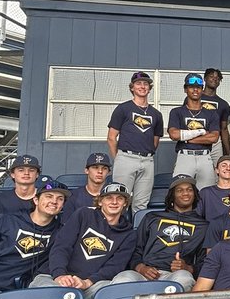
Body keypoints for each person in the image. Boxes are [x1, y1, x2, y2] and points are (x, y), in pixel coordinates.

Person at [29, 181, 137, 299]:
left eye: (119, 198)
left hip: (91, 284)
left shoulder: (129, 233)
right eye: (109, 198)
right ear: (100, 201)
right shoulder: (84, 214)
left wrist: (87, 282)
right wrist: (60, 275)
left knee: (110, 295)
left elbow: (115, 266)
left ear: (125, 203)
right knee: (53, 295)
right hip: (54, 277)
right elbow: (62, 246)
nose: (114, 202)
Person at [113, 176, 205, 290]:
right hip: (144, 273)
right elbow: (134, 249)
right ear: (172, 196)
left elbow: (206, 263)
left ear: (195, 194)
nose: (185, 193)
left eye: (189, 189)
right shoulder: (152, 217)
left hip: (175, 275)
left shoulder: (203, 226)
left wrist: (188, 268)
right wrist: (141, 268)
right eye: (179, 190)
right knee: (122, 279)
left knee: (184, 279)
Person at [107, 71, 164, 213]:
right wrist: (119, 158)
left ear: (149, 88)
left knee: (141, 204)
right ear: (132, 87)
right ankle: (118, 233)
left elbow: (155, 140)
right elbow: (111, 137)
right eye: (138, 83)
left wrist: (147, 153)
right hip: (126, 157)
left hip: (147, 160)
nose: (142, 86)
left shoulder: (156, 114)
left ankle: (137, 233)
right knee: (119, 200)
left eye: (145, 84)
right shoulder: (123, 108)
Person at [168, 72, 220, 189]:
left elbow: (214, 137)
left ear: (202, 90)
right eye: (191, 87)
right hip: (184, 157)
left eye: (198, 87)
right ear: (185, 89)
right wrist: (200, 133)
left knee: (206, 195)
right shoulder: (177, 112)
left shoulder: (211, 113)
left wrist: (186, 138)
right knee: (180, 192)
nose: (195, 90)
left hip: (205, 157)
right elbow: (174, 134)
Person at [0, 153, 41, 234]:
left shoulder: (45, 198)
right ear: (12, 174)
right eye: (21, 170)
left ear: (37, 174)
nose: (26, 173)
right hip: (5, 244)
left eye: (31, 170)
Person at [63, 152, 112, 217]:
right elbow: (67, 224)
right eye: (95, 167)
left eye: (104, 168)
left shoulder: (113, 197)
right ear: (86, 170)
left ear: (108, 172)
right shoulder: (74, 196)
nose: (100, 171)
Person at [200, 68, 230, 161]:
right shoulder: (194, 98)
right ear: (205, 79)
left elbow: (224, 129)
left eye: (217, 78)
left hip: (215, 143)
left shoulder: (223, 104)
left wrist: (228, 151)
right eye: (211, 76)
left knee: (216, 173)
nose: (214, 79)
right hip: (196, 139)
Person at [197, 155, 230, 221]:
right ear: (217, 170)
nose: (228, 168)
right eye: (224, 166)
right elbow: (197, 217)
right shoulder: (206, 192)